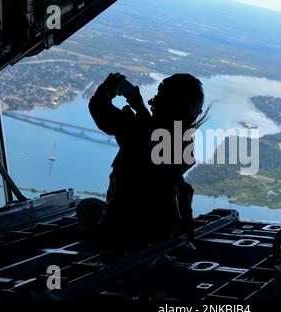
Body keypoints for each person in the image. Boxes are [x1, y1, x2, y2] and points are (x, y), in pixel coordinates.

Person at [77, 73, 207, 246]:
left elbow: (101, 111)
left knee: (86, 207)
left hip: (125, 229)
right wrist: (139, 107)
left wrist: (105, 90)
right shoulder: (184, 140)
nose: (153, 101)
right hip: (162, 230)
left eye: (159, 97)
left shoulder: (136, 129)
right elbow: (155, 132)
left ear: (167, 104)